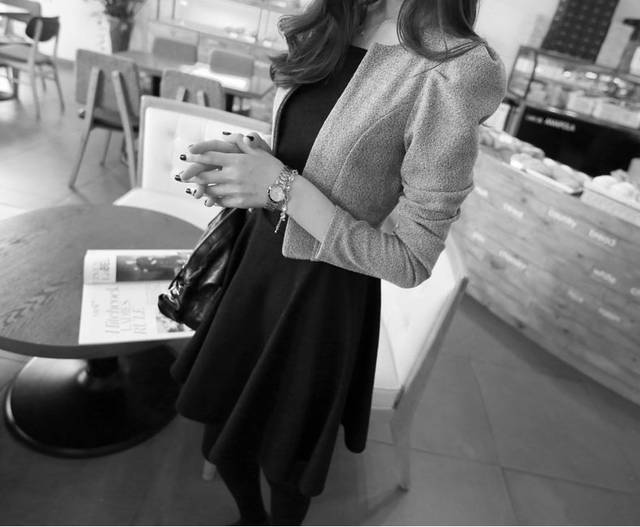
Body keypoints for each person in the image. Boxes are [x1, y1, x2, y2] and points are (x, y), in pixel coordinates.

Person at [171, 0, 505, 524]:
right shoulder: (340, 17)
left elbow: (411, 259)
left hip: (320, 297)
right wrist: (254, 165)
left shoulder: (453, 71)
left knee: (286, 459)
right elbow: (317, 154)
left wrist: (282, 189)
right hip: (256, 267)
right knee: (224, 431)